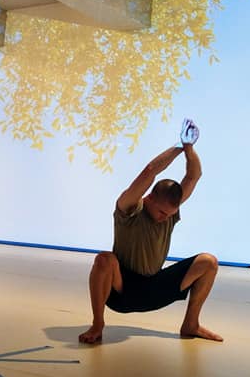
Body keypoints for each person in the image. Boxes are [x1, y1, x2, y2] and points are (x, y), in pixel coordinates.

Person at [78, 119, 223, 343]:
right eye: (162, 212)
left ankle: (191, 324)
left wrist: (189, 148)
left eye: (170, 214)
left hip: (153, 288)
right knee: (104, 260)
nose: (166, 218)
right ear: (150, 198)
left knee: (208, 262)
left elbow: (193, 176)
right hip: (122, 290)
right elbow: (149, 171)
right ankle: (98, 324)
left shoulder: (169, 212)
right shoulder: (128, 208)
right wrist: (178, 146)